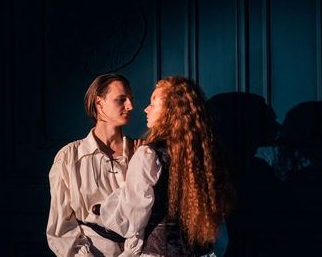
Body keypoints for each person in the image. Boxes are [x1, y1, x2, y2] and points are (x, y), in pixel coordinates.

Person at [100, 76, 235, 256]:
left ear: (172, 110)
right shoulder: (206, 156)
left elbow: (126, 222)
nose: (146, 109)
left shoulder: (148, 155)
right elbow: (220, 233)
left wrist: (130, 177)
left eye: (154, 104)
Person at [46, 73, 135, 257]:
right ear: (99, 102)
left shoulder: (141, 152)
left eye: (131, 100)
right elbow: (61, 229)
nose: (130, 106)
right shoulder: (69, 157)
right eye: (121, 99)